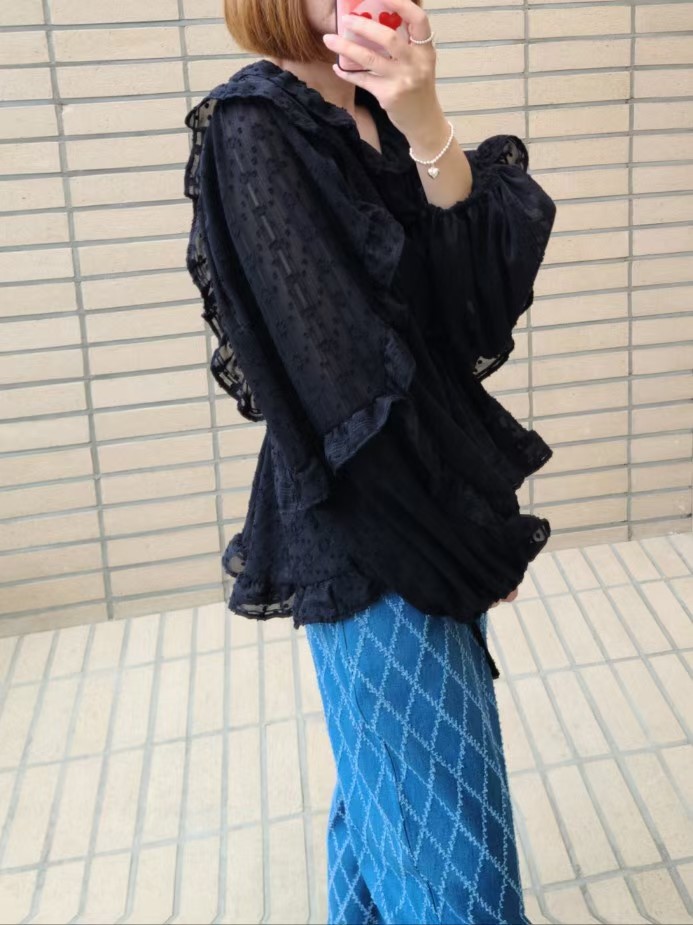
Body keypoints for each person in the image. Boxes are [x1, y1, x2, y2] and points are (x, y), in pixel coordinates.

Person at [184, 1, 557, 921]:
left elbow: (468, 316)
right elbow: (343, 389)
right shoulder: (254, 129)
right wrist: (463, 539)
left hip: (421, 507)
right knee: (454, 870)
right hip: (375, 532)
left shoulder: (375, 109)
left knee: (388, 806)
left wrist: (423, 119)